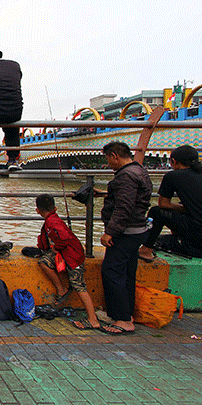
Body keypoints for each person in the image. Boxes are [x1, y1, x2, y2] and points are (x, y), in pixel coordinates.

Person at [99, 141, 152, 335]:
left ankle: (123, 319)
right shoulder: (138, 170)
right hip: (138, 230)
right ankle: (126, 314)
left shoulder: (126, 176)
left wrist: (110, 232)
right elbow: (131, 199)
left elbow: (124, 208)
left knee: (111, 271)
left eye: (107, 158)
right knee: (128, 273)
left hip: (125, 232)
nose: (108, 162)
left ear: (114, 155)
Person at [34, 194, 100, 330]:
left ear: (38, 210)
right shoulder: (52, 220)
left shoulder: (52, 222)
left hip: (73, 258)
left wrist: (56, 248)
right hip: (68, 254)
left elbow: (63, 239)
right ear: (55, 208)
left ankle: (93, 319)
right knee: (44, 262)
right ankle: (62, 289)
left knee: (79, 286)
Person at [138, 145, 202, 261]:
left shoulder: (172, 176)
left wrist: (185, 209)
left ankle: (145, 250)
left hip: (197, 234)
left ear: (173, 161)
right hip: (196, 230)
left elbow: (164, 204)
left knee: (156, 212)